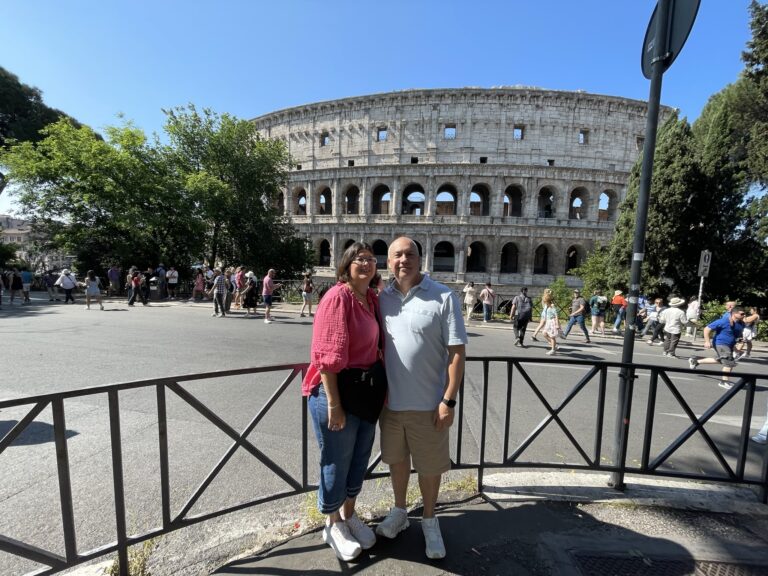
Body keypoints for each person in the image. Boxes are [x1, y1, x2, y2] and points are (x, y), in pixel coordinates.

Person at [377, 236, 467, 560]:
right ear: (388, 263)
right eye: (397, 255)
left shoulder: (443, 296)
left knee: (430, 468)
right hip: (390, 405)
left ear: (421, 258)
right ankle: (400, 511)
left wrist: (449, 401)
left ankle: (430, 520)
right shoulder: (381, 299)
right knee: (397, 463)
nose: (404, 260)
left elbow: (457, 354)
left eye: (410, 254)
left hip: (430, 405)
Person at [301, 242, 383, 561]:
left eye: (370, 259)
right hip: (334, 392)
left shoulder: (371, 298)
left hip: (363, 391)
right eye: (359, 259)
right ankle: (332, 523)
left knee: (359, 460)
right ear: (346, 265)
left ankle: (349, 516)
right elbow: (325, 356)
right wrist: (334, 404)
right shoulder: (338, 297)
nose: (366, 263)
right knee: (336, 460)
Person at [689, 306, 746, 390]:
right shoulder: (723, 321)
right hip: (720, 343)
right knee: (729, 362)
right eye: (742, 314)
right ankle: (724, 381)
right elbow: (707, 329)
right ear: (734, 314)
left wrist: (736, 348)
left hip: (729, 345)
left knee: (722, 360)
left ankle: (695, 361)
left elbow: (735, 336)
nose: (744, 315)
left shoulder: (741, 324)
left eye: (744, 314)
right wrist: (707, 341)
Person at [539, 290, 561, 355]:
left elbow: (556, 315)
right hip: (548, 322)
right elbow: (544, 300)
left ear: (547, 301)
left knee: (552, 336)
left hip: (552, 322)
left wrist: (557, 324)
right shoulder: (546, 305)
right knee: (544, 333)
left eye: (545, 301)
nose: (544, 302)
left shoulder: (552, 305)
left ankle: (553, 350)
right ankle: (554, 346)